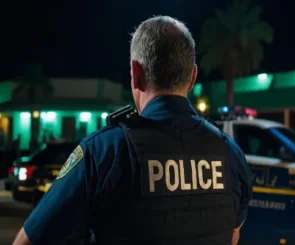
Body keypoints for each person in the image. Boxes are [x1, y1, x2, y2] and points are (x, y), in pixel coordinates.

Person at [13, 16, 252, 245]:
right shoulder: (231, 154)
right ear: (192, 78)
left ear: (136, 74)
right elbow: (232, 237)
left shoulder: (102, 152)